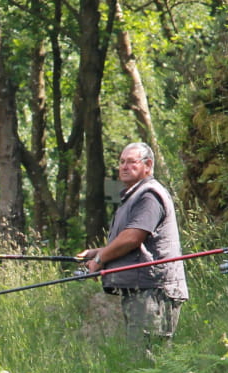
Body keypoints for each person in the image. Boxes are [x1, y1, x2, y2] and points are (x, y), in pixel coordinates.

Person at [77, 142, 188, 351]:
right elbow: (135, 244)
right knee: (141, 360)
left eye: (131, 162)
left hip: (154, 291)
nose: (124, 166)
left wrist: (100, 260)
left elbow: (132, 238)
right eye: (121, 162)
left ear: (147, 165)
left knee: (149, 359)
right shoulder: (134, 196)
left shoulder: (149, 195)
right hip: (142, 290)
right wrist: (97, 253)